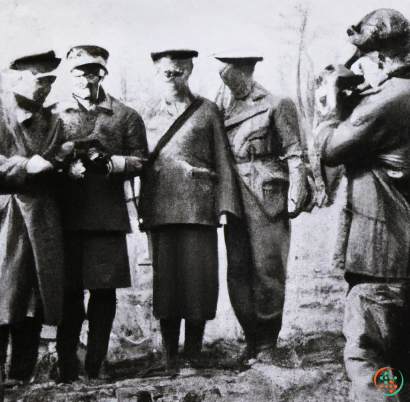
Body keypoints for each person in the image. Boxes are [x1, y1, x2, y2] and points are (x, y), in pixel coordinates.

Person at [314, 8, 410, 402]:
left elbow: (331, 150)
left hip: (383, 258)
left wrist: (329, 107)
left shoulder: (392, 98)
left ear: (379, 56)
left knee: (372, 360)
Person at [138, 49, 241, 372]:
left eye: (180, 72)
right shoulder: (144, 114)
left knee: (199, 284)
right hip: (160, 207)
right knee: (167, 285)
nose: (174, 78)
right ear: (157, 74)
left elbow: (223, 160)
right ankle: (170, 358)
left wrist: (225, 206)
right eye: (168, 72)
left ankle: (193, 355)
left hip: (199, 208)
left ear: (190, 72)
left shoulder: (208, 111)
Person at [54, 45, 148, 382]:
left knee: (104, 292)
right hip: (64, 218)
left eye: (90, 72)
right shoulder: (55, 115)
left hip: (106, 217)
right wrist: (66, 166)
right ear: (69, 75)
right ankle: (66, 367)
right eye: (77, 73)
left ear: (101, 74)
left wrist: (110, 163)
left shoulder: (125, 116)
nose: (83, 79)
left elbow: (141, 160)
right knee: (68, 293)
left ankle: (95, 366)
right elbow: (42, 157)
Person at [214, 50, 309, 362]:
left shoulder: (276, 103)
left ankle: (268, 342)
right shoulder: (222, 107)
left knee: (267, 268)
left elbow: (295, 152)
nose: (225, 78)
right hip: (232, 193)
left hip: (266, 193)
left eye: (229, 72)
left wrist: (297, 192)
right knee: (237, 270)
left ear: (245, 70)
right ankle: (251, 339)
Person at [0, 51, 64, 385]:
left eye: (51, 81)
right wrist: (23, 166)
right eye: (41, 80)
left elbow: (58, 161)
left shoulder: (52, 121)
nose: (46, 88)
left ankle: (21, 377)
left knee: (33, 300)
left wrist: (69, 164)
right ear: (18, 78)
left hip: (41, 221)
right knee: (3, 296)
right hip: (5, 220)